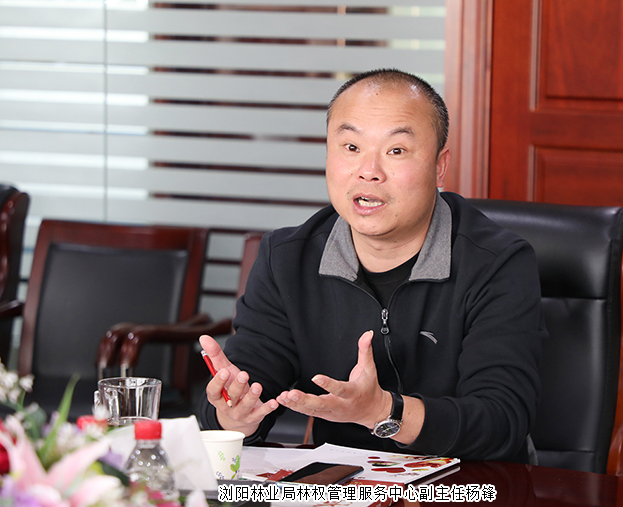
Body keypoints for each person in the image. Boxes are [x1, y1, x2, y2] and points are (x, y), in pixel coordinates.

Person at [198, 68, 546, 462]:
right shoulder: (287, 259)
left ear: (439, 166)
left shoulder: (498, 263)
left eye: (396, 151)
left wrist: (383, 412)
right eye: (351, 147)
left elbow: (502, 422)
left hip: (469, 485)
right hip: (342, 484)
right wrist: (234, 415)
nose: (369, 171)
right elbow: (245, 390)